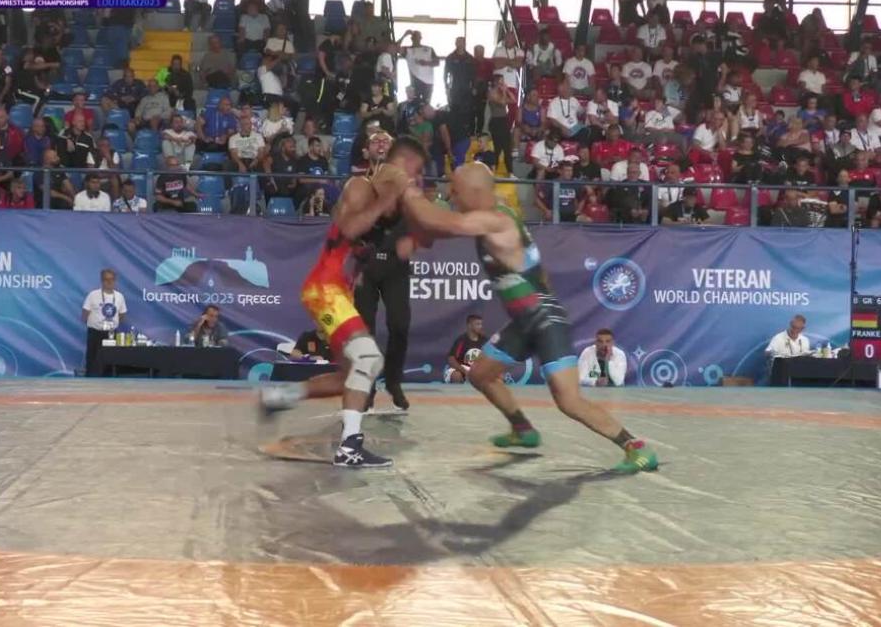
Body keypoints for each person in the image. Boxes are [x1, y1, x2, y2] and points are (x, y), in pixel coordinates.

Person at [397, 163, 659, 474]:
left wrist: (406, 188)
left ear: (474, 191)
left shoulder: (495, 220)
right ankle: (522, 429)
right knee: (481, 374)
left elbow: (441, 221)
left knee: (569, 401)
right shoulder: (496, 217)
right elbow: (439, 228)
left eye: (455, 190)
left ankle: (636, 447)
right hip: (527, 320)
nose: (451, 196)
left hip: (544, 319)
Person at [259, 138, 428, 468]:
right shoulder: (360, 187)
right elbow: (349, 226)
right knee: (368, 359)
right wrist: (389, 198)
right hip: (326, 288)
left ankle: (281, 396)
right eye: (405, 178)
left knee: (349, 377)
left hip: (335, 289)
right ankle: (350, 447)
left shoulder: (379, 204)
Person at [82, 269, 127, 375]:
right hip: (95, 332)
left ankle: (109, 381)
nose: (109, 282)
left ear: (115, 280)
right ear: (102, 281)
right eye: (106, 279)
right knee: (92, 360)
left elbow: (122, 314)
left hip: (111, 333)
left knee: (110, 361)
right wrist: (95, 323)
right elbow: (85, 314)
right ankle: (90, 380)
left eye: (111, 279)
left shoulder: (119, 296)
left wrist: (113, 323)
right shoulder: (93, 295)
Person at [445, 314, 487, 383]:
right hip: (462, 369)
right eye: (477, 324)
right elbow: (451, 359)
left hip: (478, 370)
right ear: (469, 325)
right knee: (456, 376)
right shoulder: (461, 340)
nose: (481, 327)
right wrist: (465, 371)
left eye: (481, 324)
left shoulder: (485, 340)